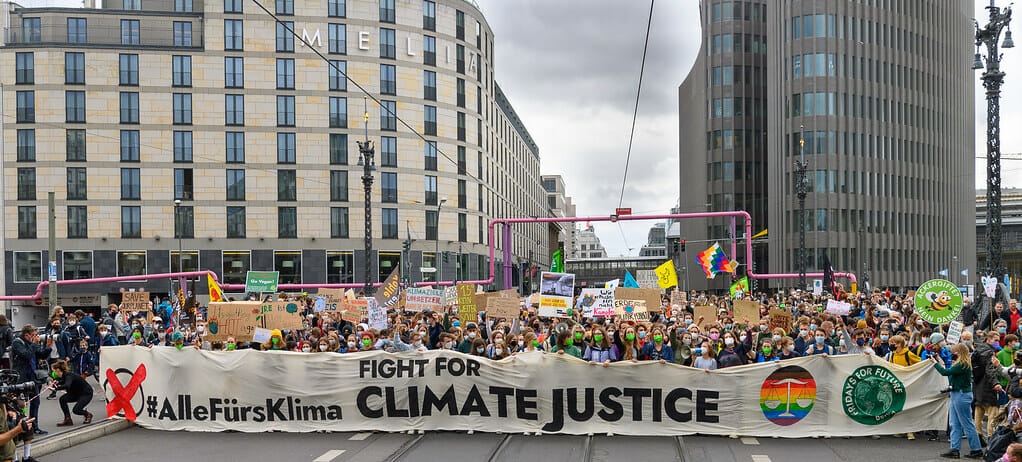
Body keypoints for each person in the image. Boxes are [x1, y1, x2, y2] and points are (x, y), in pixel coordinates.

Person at [932, 343, 984, 459]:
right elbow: (950, 372)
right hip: (957, 393)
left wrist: (935, 363)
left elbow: (945, 372)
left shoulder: (962, 364)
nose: (951, 354)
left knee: (967, 423)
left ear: (959, 352)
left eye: (953, 351)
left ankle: (976, 449)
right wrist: (939, 360)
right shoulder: (961, 364)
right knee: (954, 423)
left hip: (961, 395)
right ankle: (954, 448)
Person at [11, 325, 50, 436]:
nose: (35, 337)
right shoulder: (17, 342)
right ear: (26, 334)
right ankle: (20, 426)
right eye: (33, 335)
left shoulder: (32, 343)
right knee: (21, 404)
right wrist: (34, 344)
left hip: (33, 376)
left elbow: (40, 355)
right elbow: (27, 355)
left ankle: (34, 426)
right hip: (21, 377)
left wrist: (48, 347)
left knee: (35, 402)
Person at [49, 359, 93, 427]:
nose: (54, 373)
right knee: (62, 399)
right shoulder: (63, 376)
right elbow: (62, 382)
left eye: (54, 371)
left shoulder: (69, 375)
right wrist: (56, 383)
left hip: (86, 393)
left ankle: (88, 414)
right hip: (76, 393)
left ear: (58, 370)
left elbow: (67, 385)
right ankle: (68, 419)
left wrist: (55, 389)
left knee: (76, 410)